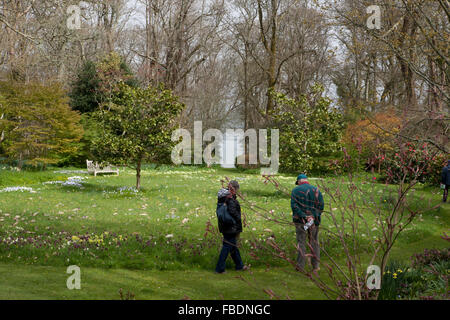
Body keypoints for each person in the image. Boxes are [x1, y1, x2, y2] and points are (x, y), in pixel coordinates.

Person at [291, 174, 324, 272]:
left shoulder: (295, 191)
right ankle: (316, 266)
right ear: (306, 181)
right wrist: (312, 216)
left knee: (301, 242)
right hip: (314, 221)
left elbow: (294, 206)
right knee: (314, 242)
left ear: (299, 182)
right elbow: (321, 206)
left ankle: (300, 266)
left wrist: (305, 216)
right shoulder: (316, 190)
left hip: (300, 221)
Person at [215, 180, 246, 274]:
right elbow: (233, 211)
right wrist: (238, 219)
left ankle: (239, 265)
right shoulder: (230, 198)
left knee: (233, 247)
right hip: (231, 227)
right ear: (234, 189)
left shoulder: (223, 196)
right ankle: (219, 268)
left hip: (225, 226)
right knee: (227, 246)